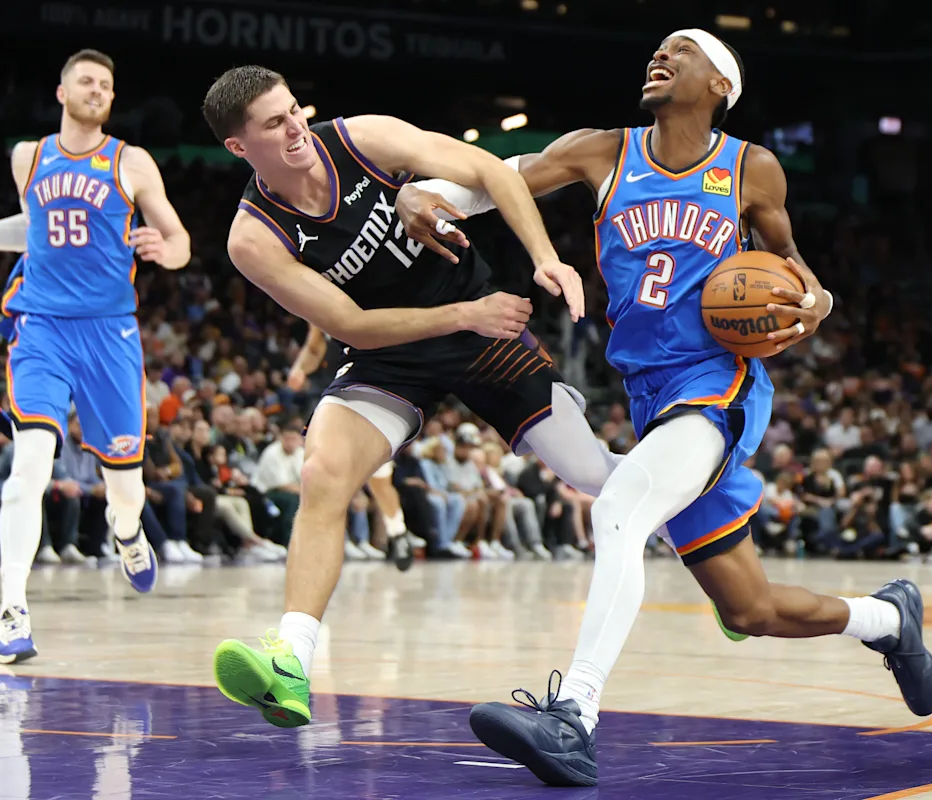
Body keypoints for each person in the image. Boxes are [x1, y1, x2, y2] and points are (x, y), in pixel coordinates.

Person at [395, 28, 932, 787]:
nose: (661, 56)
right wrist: (427, 194)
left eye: (682, 50)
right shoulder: (603, 151)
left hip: (718, 382)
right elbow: (499, 178)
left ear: (720, 84)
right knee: (749, 609)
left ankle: (573, 716)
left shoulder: (751, 168)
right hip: (651, 397)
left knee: (619, 507)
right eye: (658, 49)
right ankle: (888, 618)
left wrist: (814, 303)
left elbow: (792, 265)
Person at [202, 65, 631, 729]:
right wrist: (464, 317)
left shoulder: (360, 138)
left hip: (479, 322)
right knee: (323, 473)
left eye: (294, 112)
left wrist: (544, 256)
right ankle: (291, 659)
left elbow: (488, 170)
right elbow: (351, 325)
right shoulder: (253, 236)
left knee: (588, 472)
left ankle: (711, 541)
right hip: (393, 348)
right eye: (274, 124)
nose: (295, 129)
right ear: (239, 146)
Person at [0, 49, 190, 664]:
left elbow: (179, 240)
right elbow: (35, 228)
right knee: (29, 467)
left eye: (106, 85)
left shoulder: (131, 161)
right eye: (86, 81)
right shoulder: (29, 156)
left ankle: (127, 531)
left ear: (111, 99)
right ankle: (12, 609)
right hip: (41, 328)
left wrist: (165, 250)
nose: (97, 90)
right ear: (62, 92)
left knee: (126, 488)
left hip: (109, 334)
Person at [288, 323, 416, 570]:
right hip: (334, 398)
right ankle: (322, 547)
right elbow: (314, 348)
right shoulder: (320, 309)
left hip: (376, 394)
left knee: (379, 482)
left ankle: (397, 531)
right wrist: (300, 369)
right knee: (322, 474)